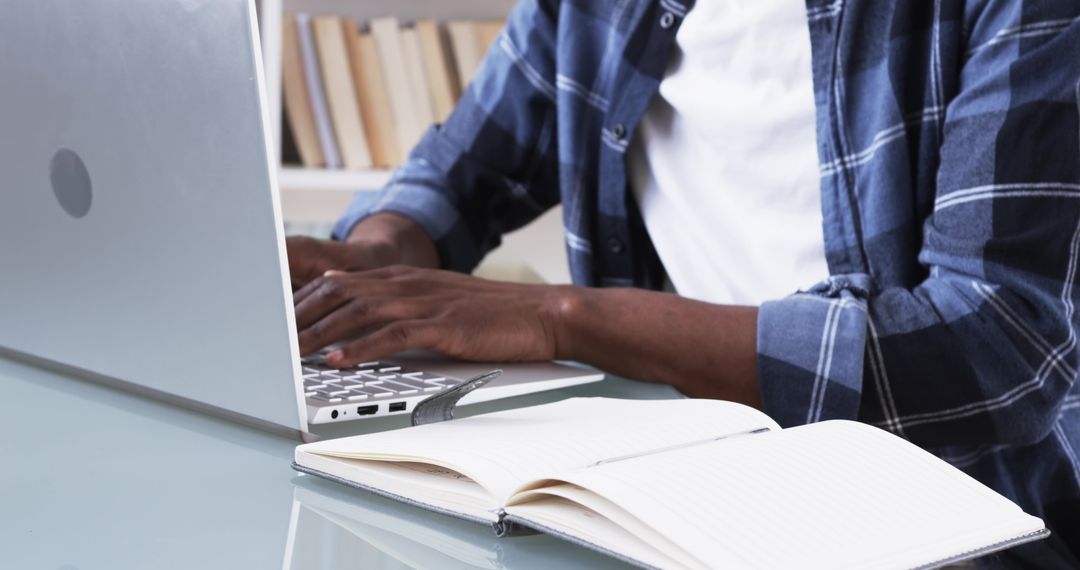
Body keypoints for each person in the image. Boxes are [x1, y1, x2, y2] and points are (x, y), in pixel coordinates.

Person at [287, 0, 1080, 563]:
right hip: (673, 491)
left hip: (953, 516)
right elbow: (459, 174)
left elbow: (995, 347)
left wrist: (567, 317)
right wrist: (376, 253)